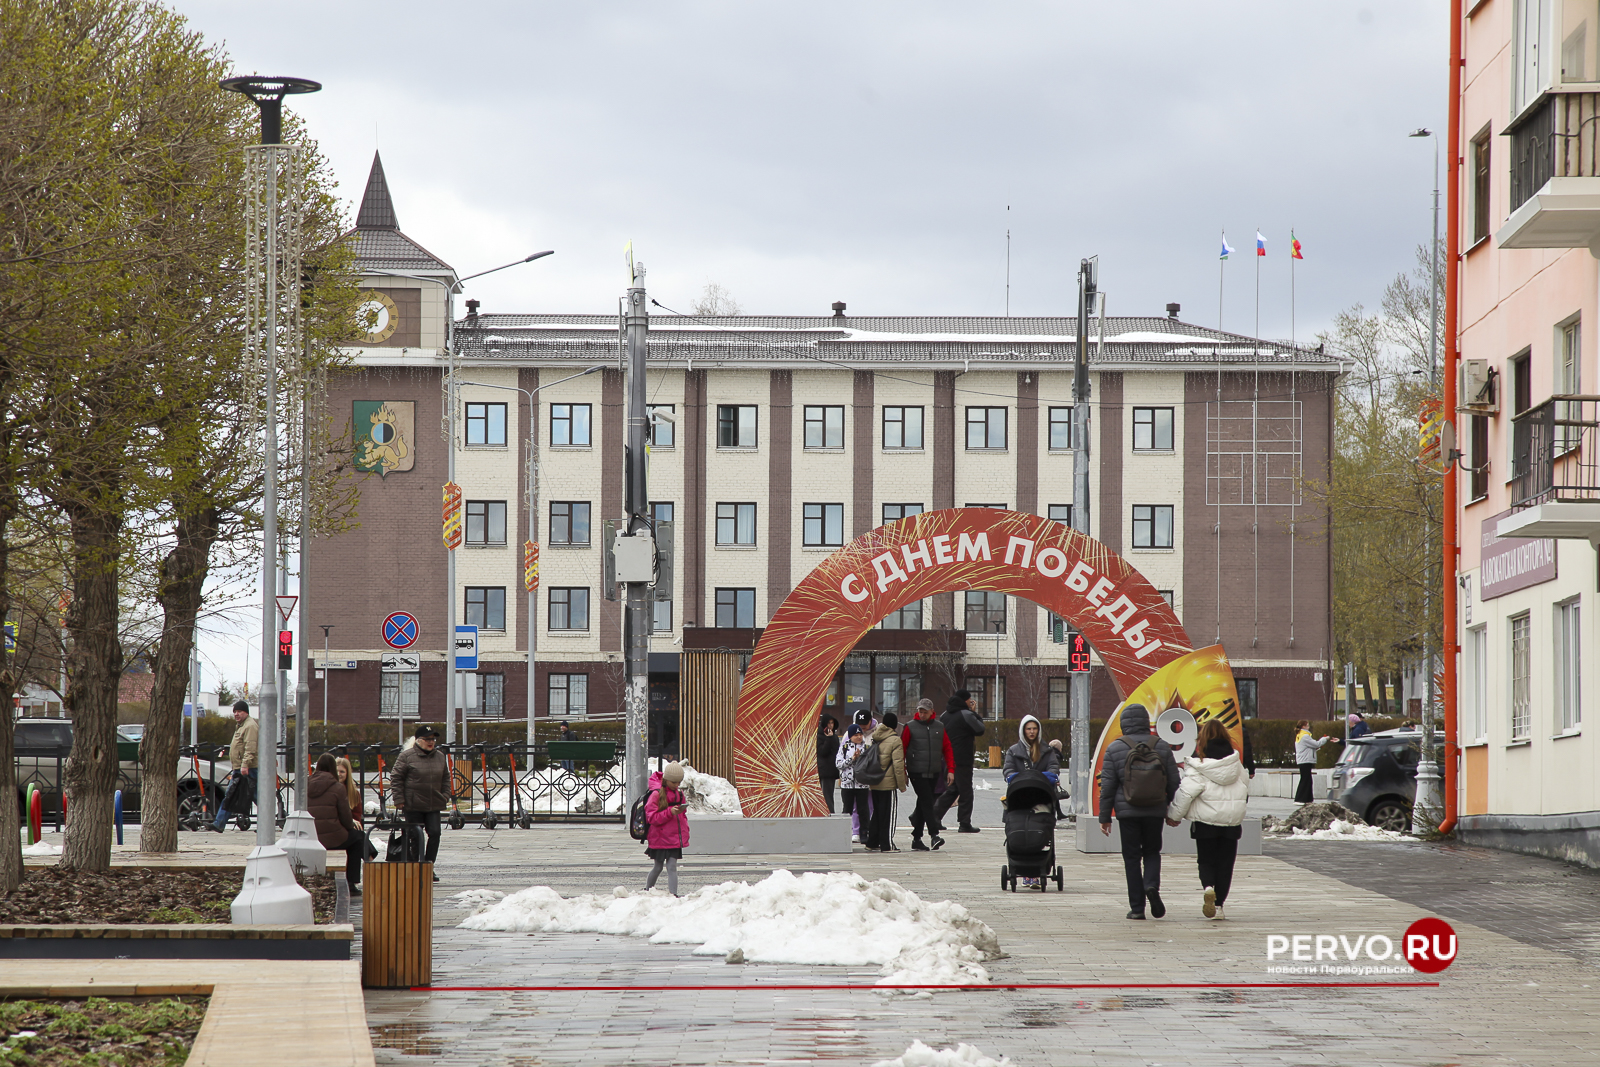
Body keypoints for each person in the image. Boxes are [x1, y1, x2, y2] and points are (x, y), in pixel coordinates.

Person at [1098, 703, 1181, 920]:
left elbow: (1107, 787)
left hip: (1128, 812)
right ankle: (1151, 885)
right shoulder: (1161, 746)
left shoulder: (1115, 748)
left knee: (1132, 857)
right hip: (1154, 810)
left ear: (1124, 723)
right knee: (1152, 852)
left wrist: (1105, 817)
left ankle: (1137, 908)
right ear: (1146, 722)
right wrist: (1171, 810)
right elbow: (1174, 781)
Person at [1165, 719, 1248, 920]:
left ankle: (1208, 886)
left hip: (1205, 823)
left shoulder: (1199, 765)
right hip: (1231, 823)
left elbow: (1186, 794)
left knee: (1206, 860)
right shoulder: (1236, 765)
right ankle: (1219, 906)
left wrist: (1173, 817)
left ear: (1201, 740)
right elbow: (1245, 791)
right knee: (1226, 864)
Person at [1004, 716, 1062, 887]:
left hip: (1041, 795)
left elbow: (1054, 768)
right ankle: (1021, 868)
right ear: (1023, 730)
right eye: (1028, 729)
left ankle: (1039, 869)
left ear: (1038, 730)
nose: (1031, 732)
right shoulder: (1014, 751)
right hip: (1020, 796)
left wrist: (1042, 777)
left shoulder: (1046, 750)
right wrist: (1016, 777)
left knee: (1041, 829)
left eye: (1034, 729)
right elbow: (1008, 769)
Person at [391, 725, 450, 880]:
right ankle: (416, 866)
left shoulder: (440, 756)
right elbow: (396, 778)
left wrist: (445, 795)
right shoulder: (407, 756)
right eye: (427, 739)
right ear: (418, 740)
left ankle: (428, 866)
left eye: (433, 739)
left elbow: (446, 778)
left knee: (435, 833)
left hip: (433, 803)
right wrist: (399, 799)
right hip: (413, 804)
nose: (431, 742)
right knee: (415, 836)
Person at [308, 753, 369, 896]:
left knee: (357, 836)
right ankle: (352, 883)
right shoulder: (337, 787)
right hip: (333, 839)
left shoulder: (305, 784)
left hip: (310, 837)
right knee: (357, 838)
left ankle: (370, 857)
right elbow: (347, 820)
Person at [901, 698, 954, 851]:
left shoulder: (939, 727)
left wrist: (951, 769)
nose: (922, 714)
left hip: (934, 770)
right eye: (920, 711)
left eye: (925, 712)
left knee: (923, 802)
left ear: (932, 712)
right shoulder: (910, 727)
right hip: (916, 771)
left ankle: (916, 838)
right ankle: (934, 835)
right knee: (927, 801)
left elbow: (947, 748)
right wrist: (903, 771)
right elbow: (902, 749)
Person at [933, 690, 986, 834]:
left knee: (953, 789)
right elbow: (980, 729)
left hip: (948, 758)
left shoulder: (944, 715)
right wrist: (974, 713)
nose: (971, 702)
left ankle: (934, 817)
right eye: (970, 700)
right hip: (963, 758)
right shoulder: (966, 714)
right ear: (965, 701)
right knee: (966, 791)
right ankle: (964, 823)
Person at [209, 701, 258, 832]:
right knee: (232, 796)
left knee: (255, 796)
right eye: (234, 712)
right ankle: (219, 823)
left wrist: (245, 765)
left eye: (239, 711)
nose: (236, 714)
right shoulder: (241, 725)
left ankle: (219, 823)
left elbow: (250, 747)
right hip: (241, 768)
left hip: (248, 769)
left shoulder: (250, 726)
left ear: (246, 712)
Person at [645, 761, 690, 895]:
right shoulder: (656, 794)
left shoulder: (679, 794)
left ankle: (673, 894)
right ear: (666, 780)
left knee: (672, 866)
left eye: (679, 782)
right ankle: (647, 890)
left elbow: (681, 817)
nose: (676, 786)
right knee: (658, 867)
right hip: (660, 838)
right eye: (673, 782)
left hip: (674, 838)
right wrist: (670, 812)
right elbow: (652, 818)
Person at [865, 711, 907, 852]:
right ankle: (885, 844)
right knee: (886, 814)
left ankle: (872, 842)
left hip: (874, 779)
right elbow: (898, 765)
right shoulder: (895, 740)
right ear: (894, 725)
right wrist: (901, 785)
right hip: (887, 783)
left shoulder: (876, 736)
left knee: (877, 812)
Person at [835, 723, 870, 843]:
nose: (859, 737)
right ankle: (845, 833)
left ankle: (864, 833)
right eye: (856, 735)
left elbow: (869, 764)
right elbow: (839, 764)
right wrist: (852, 759)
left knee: (863, 809)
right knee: (847, 809)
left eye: (860, 734)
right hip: (847, 784)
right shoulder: (844, 747)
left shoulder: (866, 747)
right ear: (850, 736)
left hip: (862, 784)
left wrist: (860, 759)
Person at [1293, 720, 1339, 803]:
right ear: (1303, 727)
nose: (1309, 727)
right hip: (1305, 760)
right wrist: (1324, 739)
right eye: (1307, 725)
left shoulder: (1300, 735)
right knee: (1306, 780)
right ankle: (1301, 799)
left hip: (1302, 760)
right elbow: (1317, 744)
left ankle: (1307, 799)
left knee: (1306, 779)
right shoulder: (1305, 736)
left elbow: (1307, 747)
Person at [815, 714, 841, 814]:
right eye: (829, 723)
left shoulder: (834, 736)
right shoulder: (820, 736)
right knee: (826, 795)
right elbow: (822, 752)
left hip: (832, 769)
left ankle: (830, 813)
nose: (831, 725)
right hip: (824, 770)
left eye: (832, 723)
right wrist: (828, 739)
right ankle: (828, 813)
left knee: (829, 794)